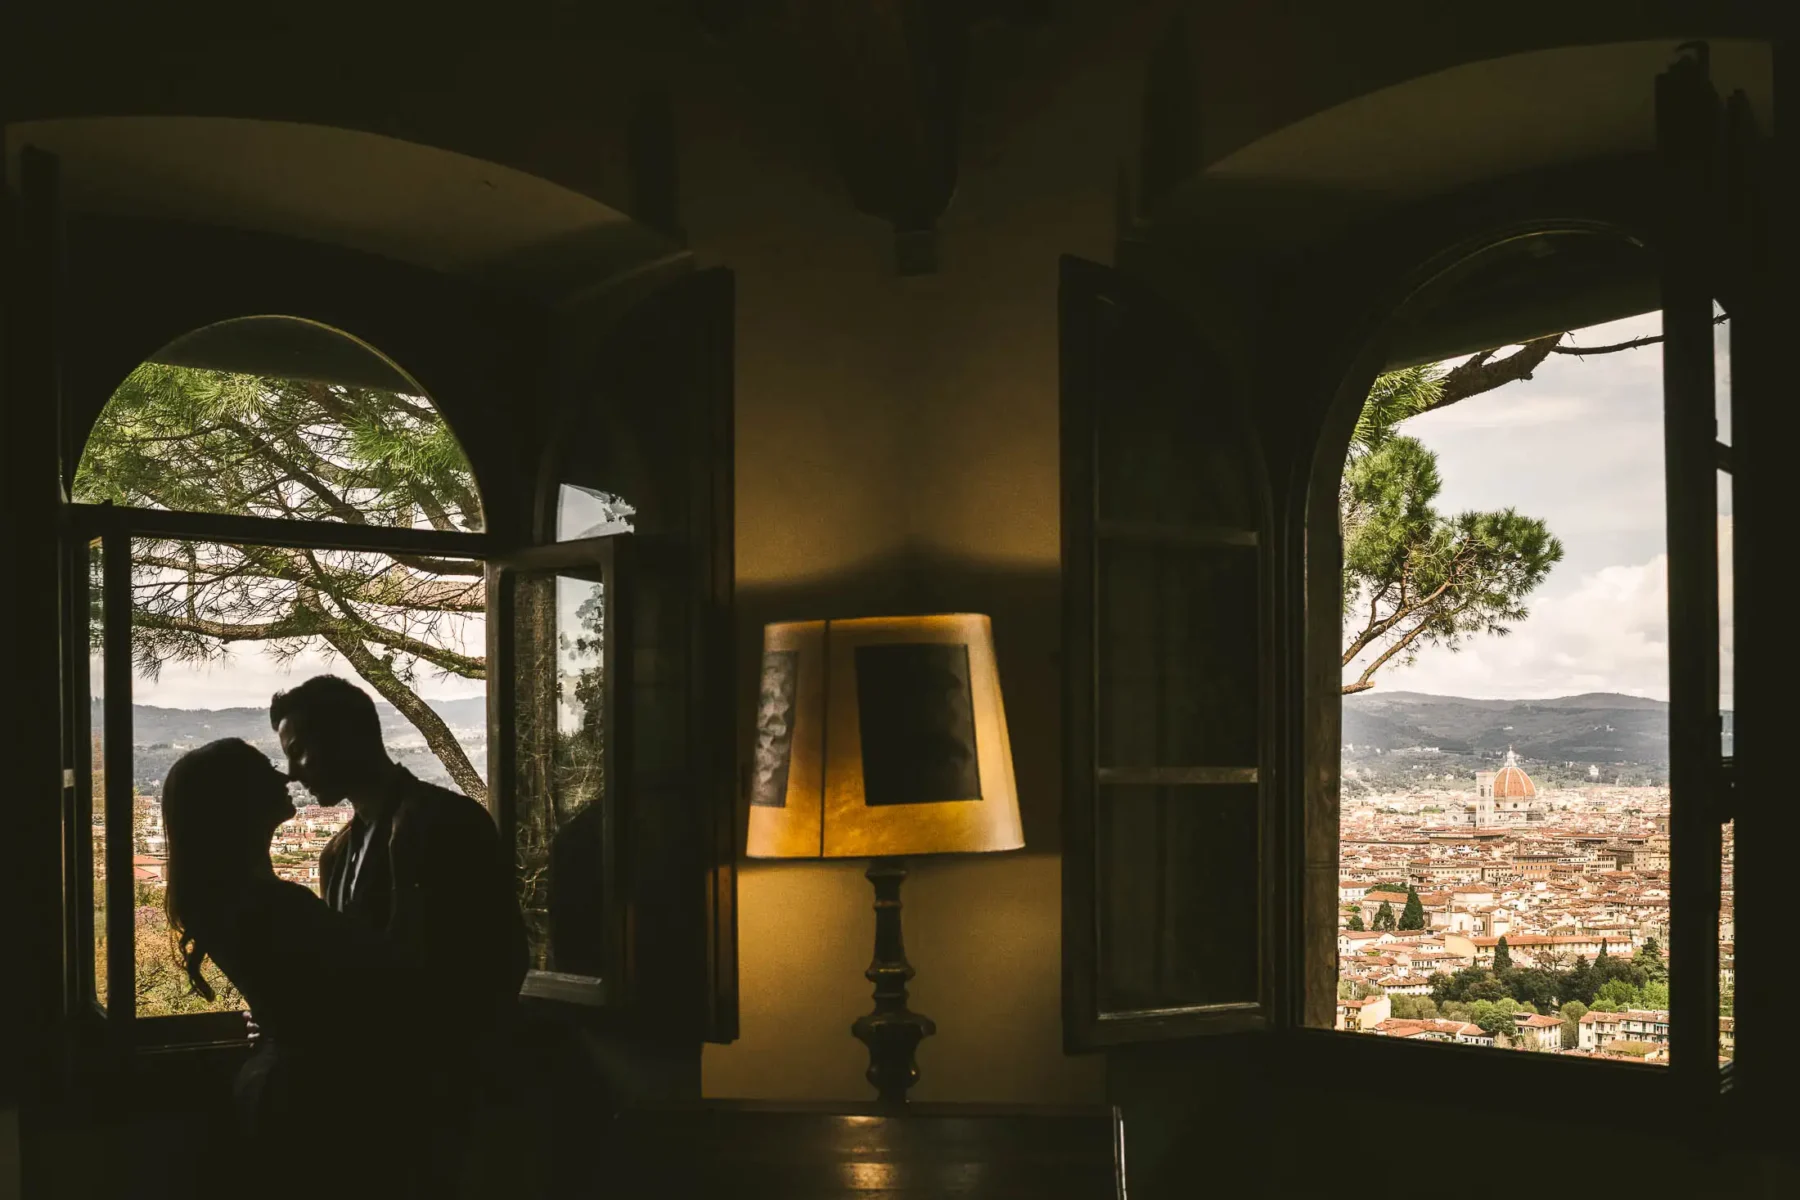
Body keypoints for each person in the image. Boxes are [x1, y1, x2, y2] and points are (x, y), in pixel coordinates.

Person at [160, 739, 418, 1194]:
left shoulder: (230, 903)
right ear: (236, 798)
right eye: (266, 770)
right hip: (317, 1100)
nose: (286, 777)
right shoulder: (272, 907)